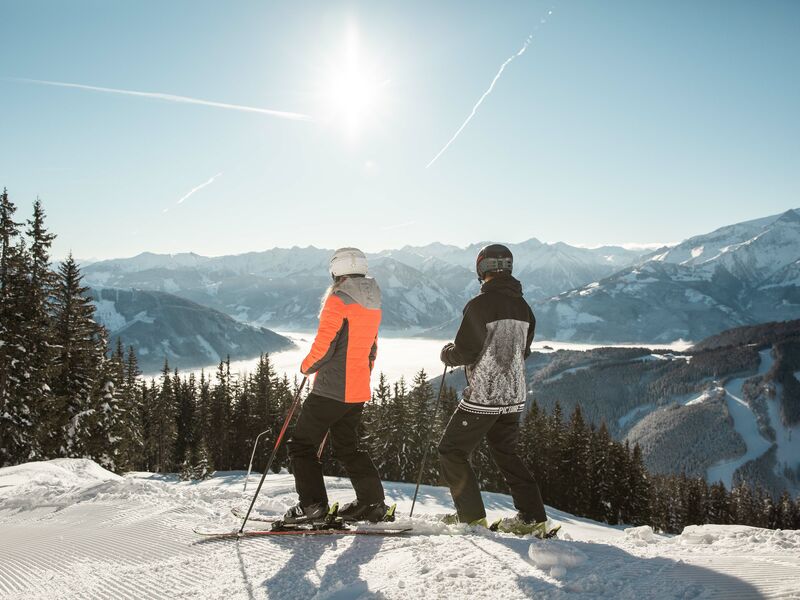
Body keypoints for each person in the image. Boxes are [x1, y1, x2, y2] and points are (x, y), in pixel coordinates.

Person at [438, 243, 551, 536]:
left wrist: (447, 354)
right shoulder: (524, 308)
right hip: (515, 395)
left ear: (481, 270)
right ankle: (533, 518)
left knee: (451, 450)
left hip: (485, 396)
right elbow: (523, 352)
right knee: (507, 454)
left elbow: (464, 351)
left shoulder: (479, 305)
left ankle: (471, 517)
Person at [283, 247, 391, 524]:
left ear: (336, 271)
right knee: (348, 448)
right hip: (357, 390)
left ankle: (312, 507)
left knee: (301, 446)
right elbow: (372, 349)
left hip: (331, 389)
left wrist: (306, 366)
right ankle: (372, 503)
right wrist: (360, 376)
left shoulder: (338, 300)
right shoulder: (372, 301)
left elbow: (325, 347)